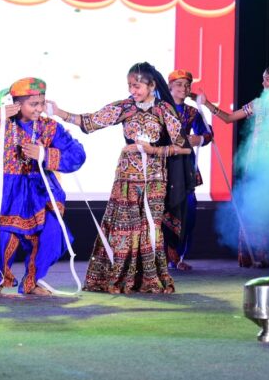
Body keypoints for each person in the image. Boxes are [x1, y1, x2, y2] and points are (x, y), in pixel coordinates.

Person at [51, 62, 189, 294]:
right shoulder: (125, 107)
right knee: (123, 228)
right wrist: (59, 113)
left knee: (150, 228)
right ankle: (119, 278)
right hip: (126, 179)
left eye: (137, 86)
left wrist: (154, 150)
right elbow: (90, 122)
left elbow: (183, 147)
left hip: (155, 179)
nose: (132, 90)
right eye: (130, 86)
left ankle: (149, 279)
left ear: (152, 86)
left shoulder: (164, 110)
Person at [0, 77, 86, 296]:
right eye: (33, 104)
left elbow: (77, 155)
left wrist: (44, 154)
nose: (39, 108)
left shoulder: (49, 127)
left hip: (36, 192)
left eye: (42, 103)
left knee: (52, 233)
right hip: (1, 191)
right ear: (16, 104)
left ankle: (31, 281)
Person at [202, 65, 269, 268]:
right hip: (256, 164)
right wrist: (207, 104)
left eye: (268, 80)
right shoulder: (258, 104)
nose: (263, 83)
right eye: (263, 79)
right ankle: (259, 254)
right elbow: (229, 118)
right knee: (255, 208)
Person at [163, 69, 212, 271]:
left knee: (188, 212)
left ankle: (180, 256)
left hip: (185, 167)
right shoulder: (161, 109)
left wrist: (198, 139)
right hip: (164, 165)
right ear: (169, 87)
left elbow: (207, 133)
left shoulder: (192, 112)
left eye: (186, 85)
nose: (183, 88)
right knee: (164, 212)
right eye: (179, 84)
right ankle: (164, 258)